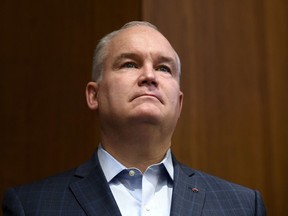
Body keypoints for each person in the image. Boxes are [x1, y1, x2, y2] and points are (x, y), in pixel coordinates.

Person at [2, 21, 266, 215]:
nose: (149, 76)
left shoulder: (243, 206)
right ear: (94, 95)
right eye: (129, 63)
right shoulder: (31, 206)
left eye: (163, 68)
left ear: (179, 103)